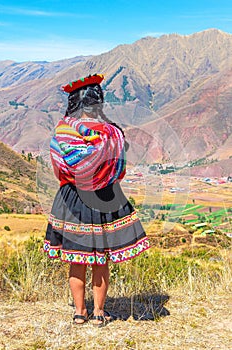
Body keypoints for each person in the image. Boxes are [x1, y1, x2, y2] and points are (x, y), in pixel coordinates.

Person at [44, 73, 150, 326]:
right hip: (106, 197)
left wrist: (79, 176)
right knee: (100, 258)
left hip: (72, 200)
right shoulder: (113, 133)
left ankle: (80, 312)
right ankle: (100, 312)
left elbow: (60, 167)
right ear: (99, 103)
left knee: (76, 258)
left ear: (74, 103)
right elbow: (118, 168)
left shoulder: (62, 132)